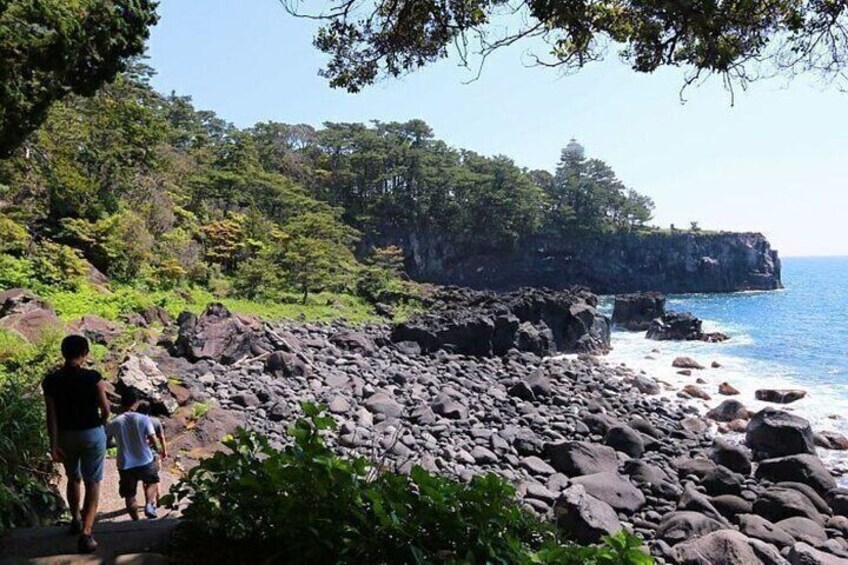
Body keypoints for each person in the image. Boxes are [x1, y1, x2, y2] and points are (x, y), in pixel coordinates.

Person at [42, 335, 110, 554]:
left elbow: (51, 416)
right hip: (92, 433)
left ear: (63, 353)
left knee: (73, 478)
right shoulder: (93, 377)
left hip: (66, 436)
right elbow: (106, 409)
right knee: (93, 482)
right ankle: (87, 534)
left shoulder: (51, 381)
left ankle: (75, 519)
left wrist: (53, 444)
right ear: (85, 353)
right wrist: (100, 425)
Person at [105, 389, 165, 520]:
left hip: (125, 463)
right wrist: (158, 450)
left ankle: (136, 521)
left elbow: (107, 441)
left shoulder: (115, 422)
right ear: (135, 402)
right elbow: (153, 439)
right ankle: (149, 505)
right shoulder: (143, 419)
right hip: (145, 460)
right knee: (152, 482)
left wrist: (118, 443)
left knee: (129, 494)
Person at [136, 401, 168, 504]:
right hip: (154, 452)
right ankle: (158, 497)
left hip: (141, 453)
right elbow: (161, 437)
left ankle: (149, 501)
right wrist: (164, 451)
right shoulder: (156, 421)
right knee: (156, 475)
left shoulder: (136, 422)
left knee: (145, 479)